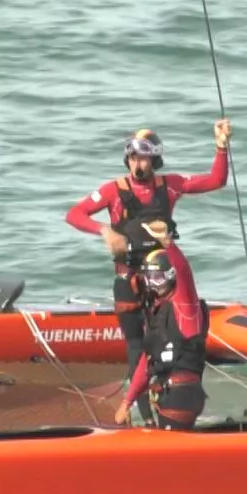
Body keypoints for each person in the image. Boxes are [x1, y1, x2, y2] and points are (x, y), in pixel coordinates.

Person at [66, 120, 232, 389]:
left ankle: (173, 391)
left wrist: (221, 145)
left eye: (144, 159)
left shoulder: (171, 186)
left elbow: (216, 180)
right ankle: (140, 412)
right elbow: (74, 214)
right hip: (128, 278)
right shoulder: (113, 190)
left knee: (169, 338)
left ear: (155, 161)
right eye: (133, 158)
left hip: (164, 283)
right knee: (136, 345)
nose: (138, 165)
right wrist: (105, 231)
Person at [113, 223, 209, 431]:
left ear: (170, 276)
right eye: (148, 278)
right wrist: (126, 402)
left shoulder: (185, 307)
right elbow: (145, 365)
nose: (152, 283)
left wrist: (168, 243)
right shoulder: (158, 314)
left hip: (181, 395)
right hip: (166, 395)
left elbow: (185, 273)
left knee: (174, 454)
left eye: (157, 277)